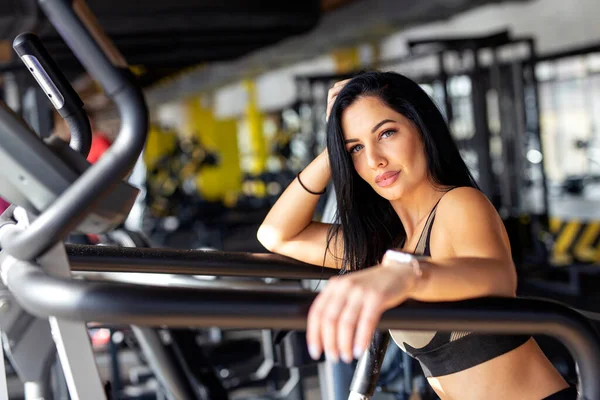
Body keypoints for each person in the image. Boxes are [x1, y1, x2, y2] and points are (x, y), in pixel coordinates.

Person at [257, 71, 575, 400]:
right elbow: (276, 234)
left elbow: (496, 275)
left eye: (387, 133)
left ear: (421, 128)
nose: (374, 160)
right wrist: (332, 147)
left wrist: (406, 276)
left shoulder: (458, 204)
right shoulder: (385, 244)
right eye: (355, 148)